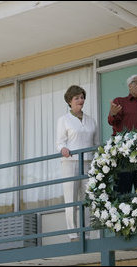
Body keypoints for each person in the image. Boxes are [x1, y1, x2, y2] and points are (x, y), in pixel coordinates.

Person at [56, 85, 99, 242]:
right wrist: (63, 149)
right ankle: (73, 234)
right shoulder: (64, 120)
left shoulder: (91, 120)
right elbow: (60, 143)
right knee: (71, 199)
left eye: (82, 97)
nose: (80, 100)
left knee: (87, 200)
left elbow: (96, 143)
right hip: (70, 162)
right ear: (69, 101)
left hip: (88, 162)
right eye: (77, 98)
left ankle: (86, 233)